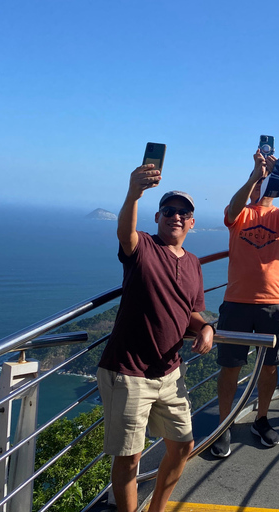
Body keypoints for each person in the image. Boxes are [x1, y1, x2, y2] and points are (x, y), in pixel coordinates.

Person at [97, 165, 215, 512]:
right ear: (158, 216)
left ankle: (157, 509)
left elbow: (192, 312)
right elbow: (125, 232)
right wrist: (134, 192)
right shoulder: (144, 247)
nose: (176, 216)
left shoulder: (193, 263)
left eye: (184, 213)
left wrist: (206, 327)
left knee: (182, 447)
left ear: (192, 222)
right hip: (129, 371)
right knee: (130, 459)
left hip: (169, 373)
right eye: (169, 211)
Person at [211, 149, 279, 458]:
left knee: (270, 367)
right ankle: (223, 426)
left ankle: (261, 418)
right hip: (236, 300)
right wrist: (255, 175)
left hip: (274, 301)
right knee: (230, 367)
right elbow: (232, 211)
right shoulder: (241, 213)